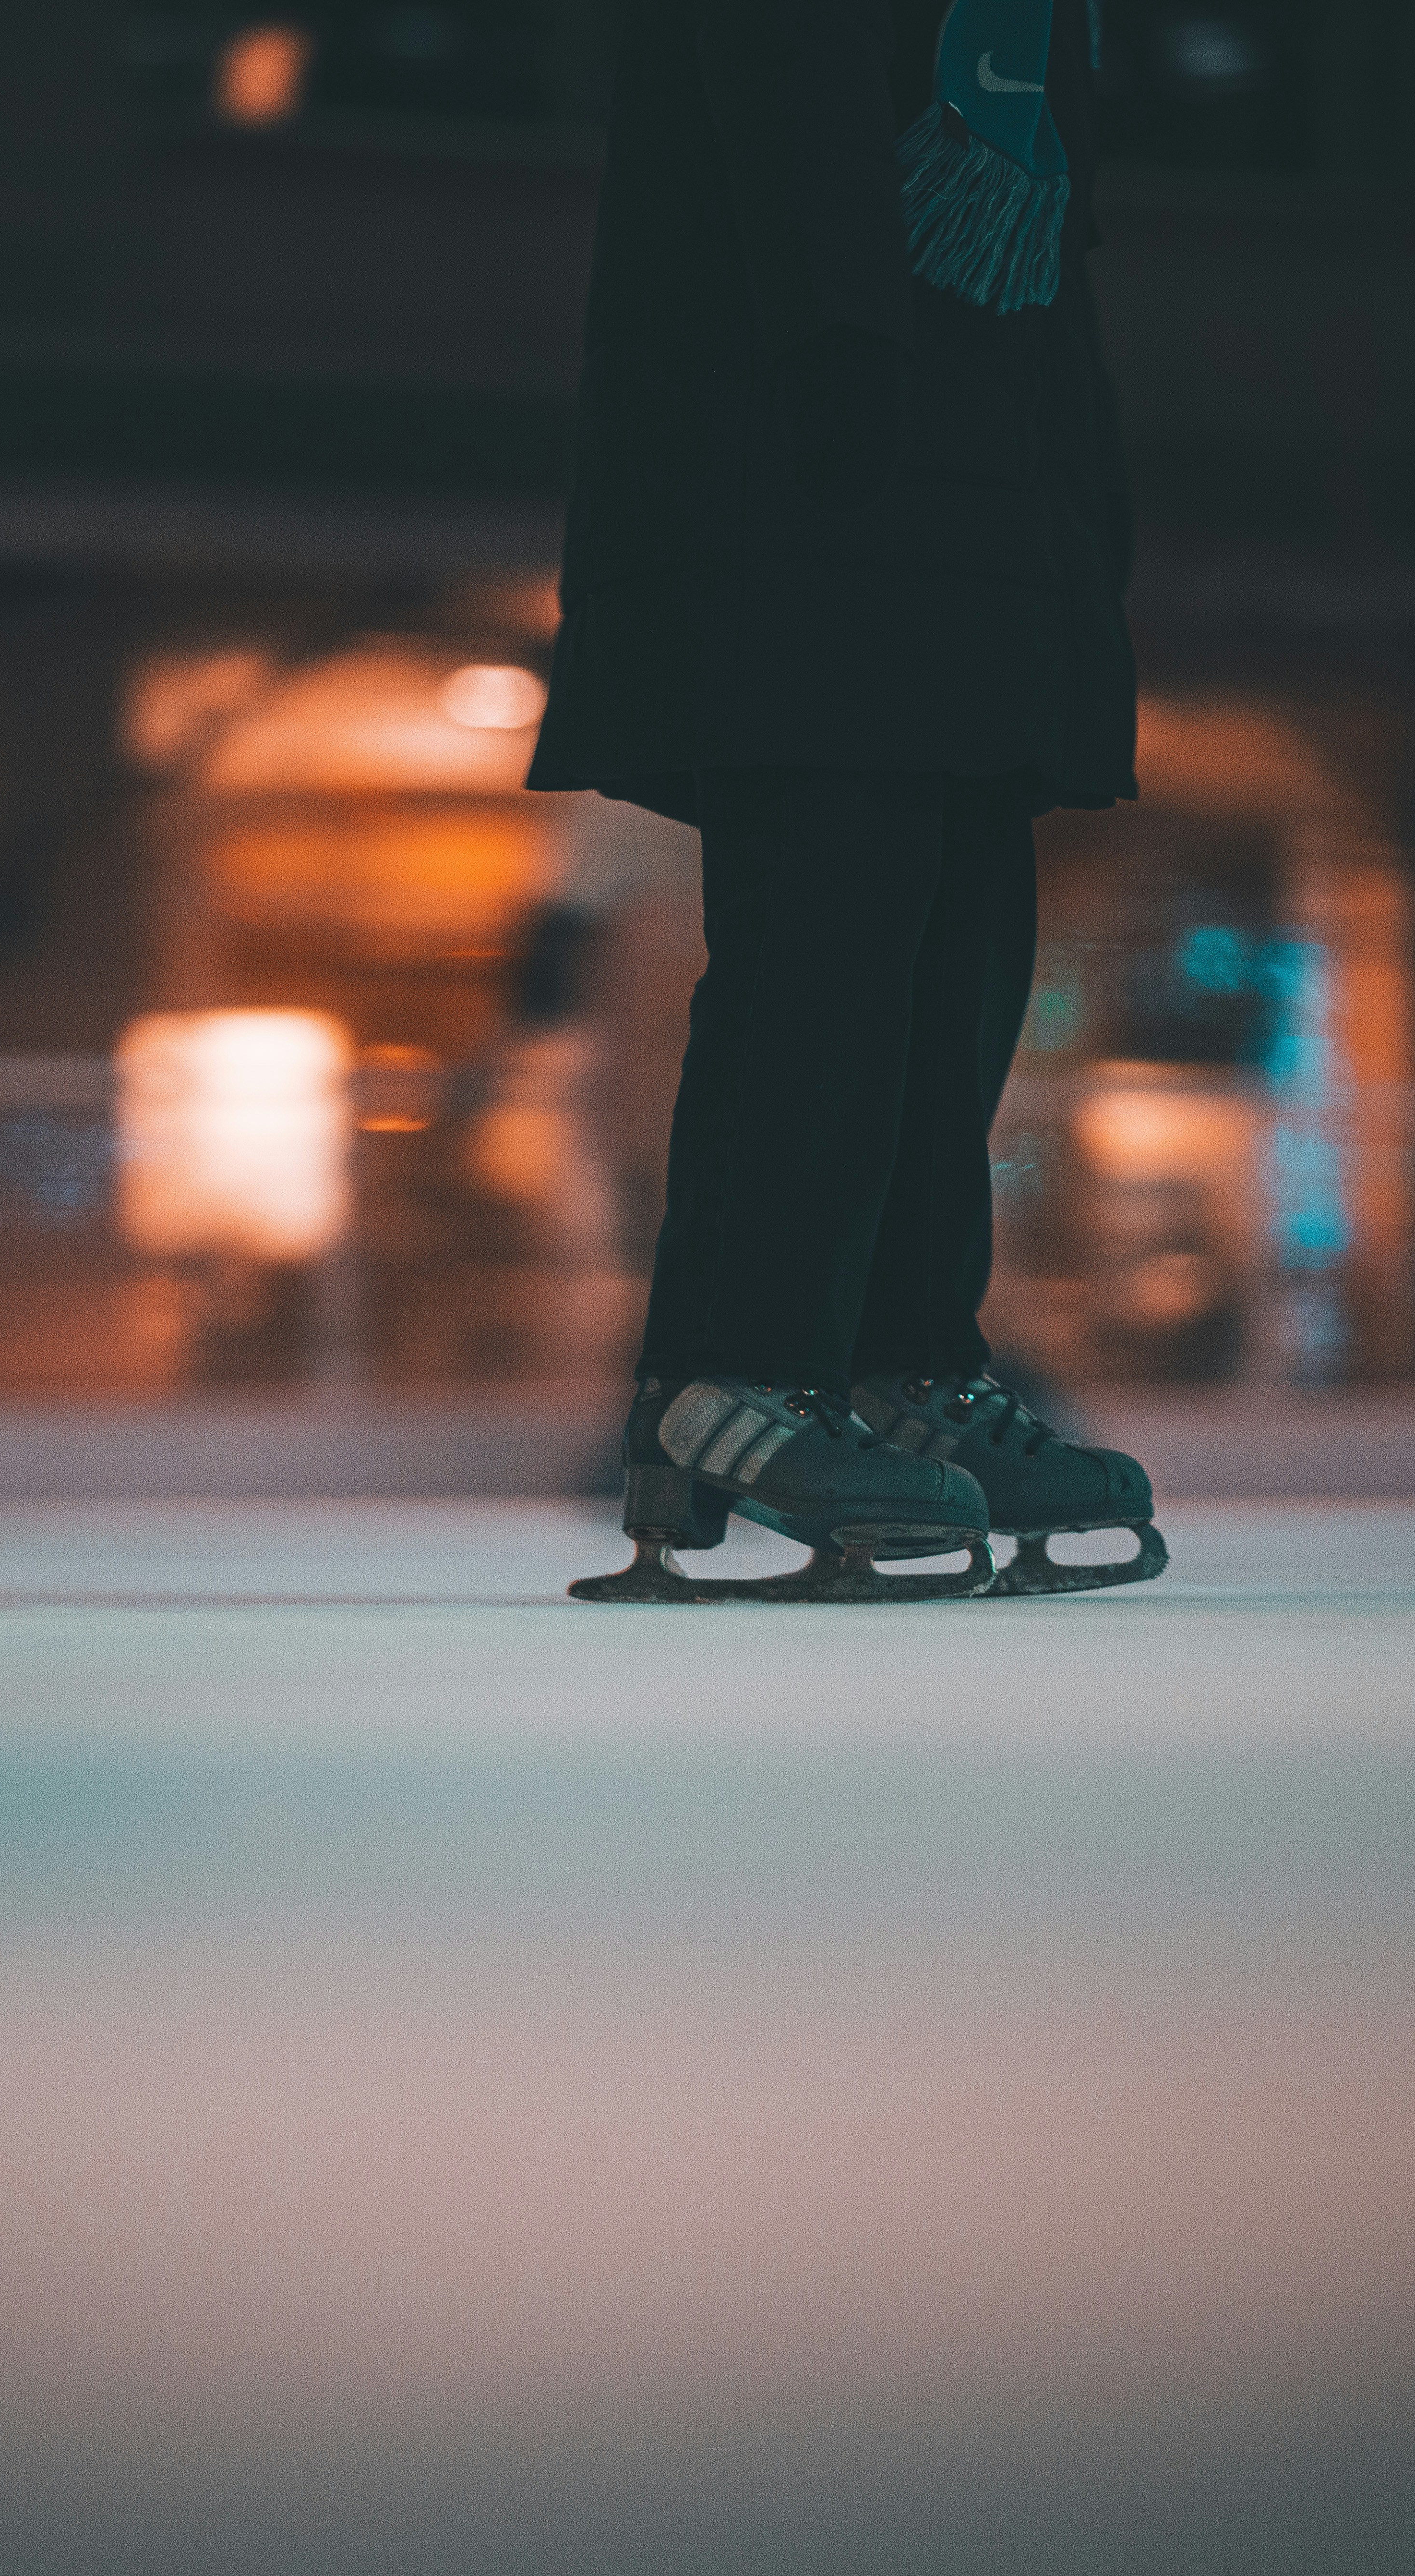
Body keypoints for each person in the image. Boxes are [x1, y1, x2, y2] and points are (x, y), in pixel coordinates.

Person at [529, 0, 1167, 1601]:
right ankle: (731, 1372)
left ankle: (900, 1361)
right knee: (827, 934)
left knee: (961, 946)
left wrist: (1073, 522)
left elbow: (1049, 262)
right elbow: (790, 155)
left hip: (980, 508)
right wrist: (845, 424)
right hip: (818, 499)